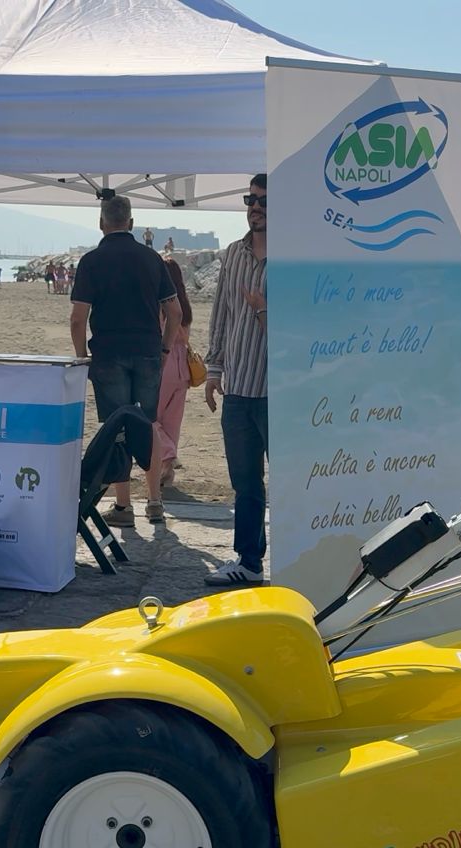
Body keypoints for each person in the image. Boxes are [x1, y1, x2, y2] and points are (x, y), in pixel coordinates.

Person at [70, 194, 179, 526]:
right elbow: (174, 312)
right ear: (131, 223)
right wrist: (163, 350)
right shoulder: (151, 259)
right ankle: (156, 501)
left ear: (102, 223)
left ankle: (123, 507)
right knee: (148, 424)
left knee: (117, 428)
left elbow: (78, 318)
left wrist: (81, 357)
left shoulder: (91, 261)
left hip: (108, 353)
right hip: (147, 351)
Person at [204, 174, 269, 585]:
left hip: (278, 391)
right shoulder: (233, 254)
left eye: (264, 201)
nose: (255, 207)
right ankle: (248, 562)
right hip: (238, 389)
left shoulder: (295, 257)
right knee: (244, 483)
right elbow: (221, 314)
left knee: (292, 482)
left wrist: (264, 311)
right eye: (251, 199)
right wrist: (213, 369)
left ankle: (303, 562)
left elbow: (307, 328)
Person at [154, 254, 194, 491]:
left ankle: (168, 455)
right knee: (171, 421)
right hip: (183, 367)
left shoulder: (162, 304)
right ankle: (166, 474)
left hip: (166, 360)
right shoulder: (185, 306)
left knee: (150, 417)